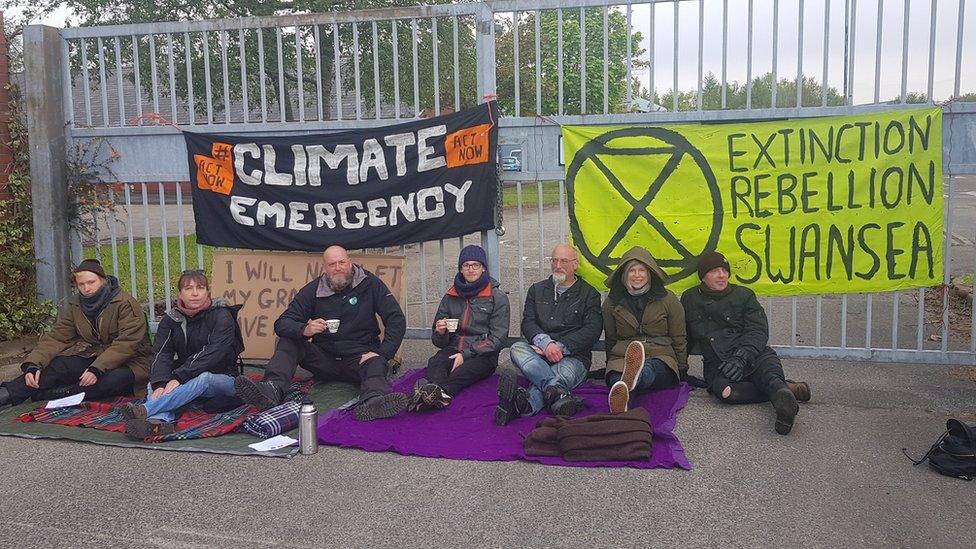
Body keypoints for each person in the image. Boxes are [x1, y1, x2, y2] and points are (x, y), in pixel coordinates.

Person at [234, 246, 408, 422]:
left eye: (342, 262)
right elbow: (282, 323)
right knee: (288, 340)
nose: (338, 267)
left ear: (349, 262)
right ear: (325, 267)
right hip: (325, 360)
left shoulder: (370, 283)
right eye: (332, 264)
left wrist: (383, 353)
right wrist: (304, 329)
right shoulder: (313, 289)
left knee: (376, 361)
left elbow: (396, 319)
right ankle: (272, 389)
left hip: (361, 357)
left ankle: (374, 401)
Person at [680, 251, 811, 435]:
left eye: (724, 270)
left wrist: (741, 357)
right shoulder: (690, 298)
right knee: (726, 393)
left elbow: (758, 330)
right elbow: (683, 335)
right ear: (703, 276)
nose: (722, 275)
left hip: (754, 355)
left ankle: (783, 402)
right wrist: (680, 369)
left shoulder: (744, 295)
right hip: (718, 365)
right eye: (714, 271)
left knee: (769, 376)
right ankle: (784, 389)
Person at [0, 259, 151, 408]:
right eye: (81, 284)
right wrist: (33, 365)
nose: (87, 288)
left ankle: (54, 395)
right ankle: (6, 394)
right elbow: (57, 337)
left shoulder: (125, 304)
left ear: (103, 280)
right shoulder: (77, 305)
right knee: (58, 366)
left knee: (105, 383)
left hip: (133, 363)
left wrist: (96, 369)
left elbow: (127, 344)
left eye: (91, 282)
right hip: (97, 356)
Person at [121, 270, 245, 439]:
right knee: (156, 383)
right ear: (180, 293)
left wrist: (180, 377)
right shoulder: (171, 319)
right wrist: (160, 383)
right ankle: (159, 423)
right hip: (186, 374)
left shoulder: (222, 315)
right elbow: (162, 353)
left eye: (200, 288)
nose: (195, 293)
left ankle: (147, 409)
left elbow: (214, 353)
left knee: (204, 378)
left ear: (207, 292)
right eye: (188, 288)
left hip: (224, 378)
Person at [495, 244, 602, 425]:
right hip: (539, 354)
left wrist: (559, 348)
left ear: (575, 265)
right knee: (516, 349)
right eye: (554, 260)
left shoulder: (589, 294)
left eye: (564, 261)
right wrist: (545, 344)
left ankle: (524, 405)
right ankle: (558, 393)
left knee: (558, 374)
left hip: (574, 358)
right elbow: (528, 322)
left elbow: (592, 331)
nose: (558, 265)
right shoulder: (537, 290)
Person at [408, 245, 510, 411]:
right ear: (460, 269)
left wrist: (465, 355)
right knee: (435, 362)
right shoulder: (451, 295)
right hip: (453, 348)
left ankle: (439, 393)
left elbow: (498, 339)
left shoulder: (497, 296)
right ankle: (434, 393)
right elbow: (438, 342)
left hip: (482, 354)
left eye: (475, 265)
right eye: (466, 265)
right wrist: (441, 333)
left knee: (462, 372)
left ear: (483, 268)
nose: (471, 269)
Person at [602, 246, 688, 414]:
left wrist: (682, 367)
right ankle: (624, 398)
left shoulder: (668, 299)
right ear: (624, 275)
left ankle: (628, 390)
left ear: (650, 273)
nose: (637, 275)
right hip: (622, 357)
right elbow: (611, 338)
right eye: (631, 271)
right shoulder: (611, 302)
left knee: (648, 373)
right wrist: (608, 364)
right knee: (615, 379)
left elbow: (679, 336)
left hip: (660, 355)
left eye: (642, 270)